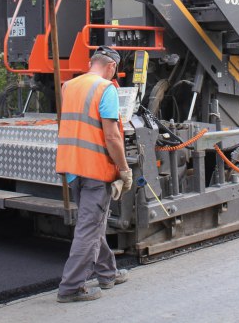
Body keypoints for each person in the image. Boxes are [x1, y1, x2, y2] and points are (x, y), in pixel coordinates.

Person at [55, 46, 133, 302]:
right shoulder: (105, 88)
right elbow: (111, 135)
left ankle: (107, 273)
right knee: (89, 229)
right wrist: (123, 169)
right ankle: (71, 287)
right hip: (95, 170)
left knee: (93, 223)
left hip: (72, 168)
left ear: (92, 63)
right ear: (112, 67)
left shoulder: (70, 86)